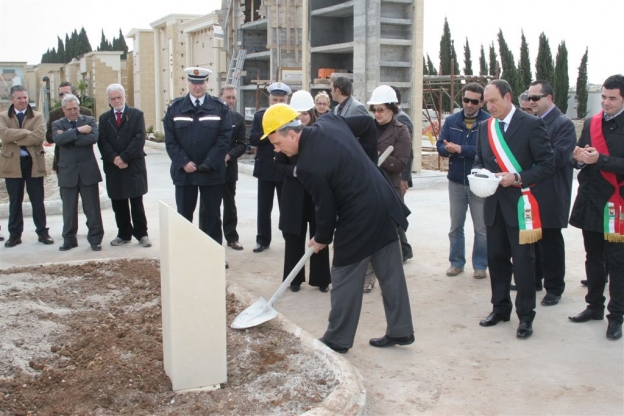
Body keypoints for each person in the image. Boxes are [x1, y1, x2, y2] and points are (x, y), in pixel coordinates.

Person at [262, 103, 414, 353]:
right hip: (384, 202)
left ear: (292, 133)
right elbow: (366, 124)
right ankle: (401, 330)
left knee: (343, 276)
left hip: (359, 217)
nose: (277, 150)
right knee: (391, 274)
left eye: (277, 144)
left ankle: (337, 340)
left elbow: (326, 205)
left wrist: (321, 237)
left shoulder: (309, 164)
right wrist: (368, 162)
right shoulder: (329, 122)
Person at [473, 79, 554, 339]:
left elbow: (547, 164)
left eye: (494, 101)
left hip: (521, 206)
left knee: (523, 263)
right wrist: (479, 175)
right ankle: (500, 308)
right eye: (487, 102)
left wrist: (517, 178)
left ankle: (525, 316)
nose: (490, 107)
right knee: (496, 260)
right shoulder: (486, 126)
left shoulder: (531, 124)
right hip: (494, 206)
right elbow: (478, 160)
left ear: (508, 98)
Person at [568, 74, 624, 341]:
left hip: (617, 203)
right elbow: (580, 151)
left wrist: (600, 159)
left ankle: (616, 317)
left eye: (612, 98)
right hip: (591, 200)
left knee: (618, 263)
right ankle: (594, 306)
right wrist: (578, 158)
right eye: (603, 96)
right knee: (593, 258)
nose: (606, 102)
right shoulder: (592, 122)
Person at [163, 67, 232, 247]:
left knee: (213, 217)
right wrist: (184, 163)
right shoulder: (176, 108)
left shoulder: (219, 108)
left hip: (212, 173)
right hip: (184, 173)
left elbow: (224, 139)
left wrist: (209, 163)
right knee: (184, 217)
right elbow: (170, 141)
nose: (197, 86)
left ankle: (214, 254)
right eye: (194, 83)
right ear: (188, 83)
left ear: (206, 83)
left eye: (201, 82)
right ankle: (184, 254)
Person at [274, 90, 331, 293]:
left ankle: (321, 278)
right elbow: (278, 165)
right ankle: (294, 279)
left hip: (316, 195)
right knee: (294, 238)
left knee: (319, 236)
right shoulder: (284, 132)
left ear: (312, 112)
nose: (301, 118)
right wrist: (297, 171)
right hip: (294, 195)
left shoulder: (320, 133)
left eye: (305, 113)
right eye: (297, 115)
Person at [527, 80, 577, 306]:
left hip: (552, 192)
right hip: (533, 190)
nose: (531, 102)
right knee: (532, 237)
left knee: (551, 240)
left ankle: (554, 287)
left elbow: (558, 157)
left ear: (550, 98)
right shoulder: (533, 122)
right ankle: (534, 279)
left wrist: (533, 159)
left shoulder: (563, 124)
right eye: (529, 97)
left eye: (535, 98)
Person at [436, 83, 491, 279]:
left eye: (474, 101)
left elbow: (487, 151)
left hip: (479, 183)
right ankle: (456, 263)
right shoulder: (451, 120)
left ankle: (480, 265)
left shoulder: (488, 122)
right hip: (457, 181)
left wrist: (460, 149)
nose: (468, 104)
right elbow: (440, 145)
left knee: (481, 228)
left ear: (481, 102)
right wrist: (448, 149)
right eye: (465, 100)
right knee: (455, 226)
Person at [363, 85, 412, 293]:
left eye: (381, 109)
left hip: (389, 189)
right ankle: (367, 276)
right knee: (366, 235)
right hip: (367, 188)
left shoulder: (401, 131)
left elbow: (400, 164)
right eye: (374, 109)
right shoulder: (366, 127)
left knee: (390, 238)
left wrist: (377, 154)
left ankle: (390, 280)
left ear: (392, 109)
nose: (377, 114)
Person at [97, 84, 151, 248]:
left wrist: (125, 157)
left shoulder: (136, 114)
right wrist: (114, 158)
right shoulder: (104, 118)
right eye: (113, 98)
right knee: (118, 203)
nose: (116, 101)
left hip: (133, 165)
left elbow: (139, 138)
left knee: (136, 203)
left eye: (119, 97)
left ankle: (142, 234)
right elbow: (103, 141)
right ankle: (124, 234)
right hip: (114, 167)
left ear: (124, 97)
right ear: (109, 100)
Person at [0, 85, 54, 248]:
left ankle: (43, 233)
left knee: (37, 199)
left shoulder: (37, 116)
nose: (23, 101)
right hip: (12, 164)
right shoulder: (3, 116)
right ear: (12, 100)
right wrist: (25, 133)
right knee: (15, 201)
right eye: (19, 98)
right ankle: (15, 235)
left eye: (25, 97)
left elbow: (38, 137)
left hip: (33, 162)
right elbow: (3, 134)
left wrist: (14, 137)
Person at [52, 94, 104, 251]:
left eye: (75, 108)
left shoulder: (89, 120)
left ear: (79, 108)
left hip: (88, 171)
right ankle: (69, 239)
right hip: (67, 172)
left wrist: (68, 137)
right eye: (69, 109)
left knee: (92, 208)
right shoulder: (57, 123)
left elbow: (93, 138)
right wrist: (79, 131)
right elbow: (58, 140)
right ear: (63, 109)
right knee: (69, 209)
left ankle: (95, 239)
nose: (73, 111)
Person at [199, 85, 248, 251]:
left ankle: (231, 237)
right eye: (228, 97)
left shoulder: (238, 119)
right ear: (220, 97)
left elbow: (242, 144)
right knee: (207, 205)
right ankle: (204, 236)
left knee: (229, 204)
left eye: (233, 98)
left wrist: (228, 156)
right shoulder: (208, 116)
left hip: (228, 169)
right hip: (209, 168)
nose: (231, 101)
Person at [248, 82, 291, 253]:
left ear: (287, 100)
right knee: (263, 208)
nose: (278, 102)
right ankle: (263, 239)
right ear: (270, 100)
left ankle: (289, 238)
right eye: (275, 99)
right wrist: (271, 132)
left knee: (286, 207)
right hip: (265, 168)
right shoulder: (260, 116)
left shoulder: (291, 117)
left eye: (281, 99)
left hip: (284, 169)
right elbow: (253, 139)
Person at [46, 82, 93, 173]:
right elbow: (49, 137)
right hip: (63, 161)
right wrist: (78, 131)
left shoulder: (86, 113)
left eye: (67, 93)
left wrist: (64, 135)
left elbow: (92, 136)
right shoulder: (54, 114)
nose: (64, 96)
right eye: (61, 94)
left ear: (74, 94)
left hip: (84, 160)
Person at [391, 86, 415, 198]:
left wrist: (404, 178)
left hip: (398, 176)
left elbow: (408, 151)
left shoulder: (402, 119)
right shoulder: (392, 117)